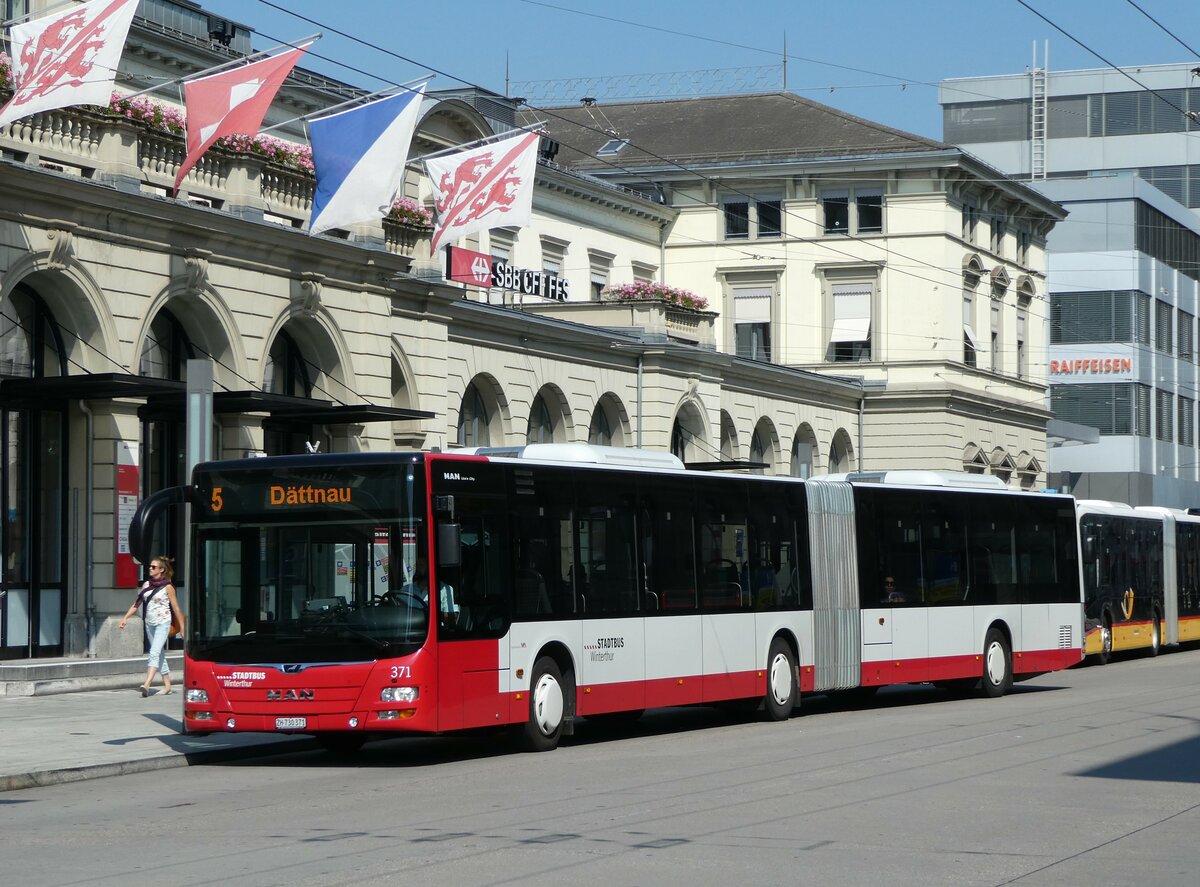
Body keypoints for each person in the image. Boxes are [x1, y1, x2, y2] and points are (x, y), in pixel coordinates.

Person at [119, 555, 184, 696]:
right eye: (150, 566)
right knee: (159, 654)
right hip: (149, 623)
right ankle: (167, 685)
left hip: (163, 623)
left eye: (153, 567)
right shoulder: (147, 585)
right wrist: (126, 617)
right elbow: (137, 603)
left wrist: (183, 628)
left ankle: (147, 684)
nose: (150, 568)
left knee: (154, 653)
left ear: (161, 570)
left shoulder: (168, 587)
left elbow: (176, 608)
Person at [402, 559, 459, 624]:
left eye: (421, 565)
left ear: (430, 567)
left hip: (433, 628)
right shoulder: (405, 590)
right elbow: (398, 612)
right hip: (410, 629)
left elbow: (452, 617)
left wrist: (429, 614)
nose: (417, 569)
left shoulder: (445, 590)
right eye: (417, 565)